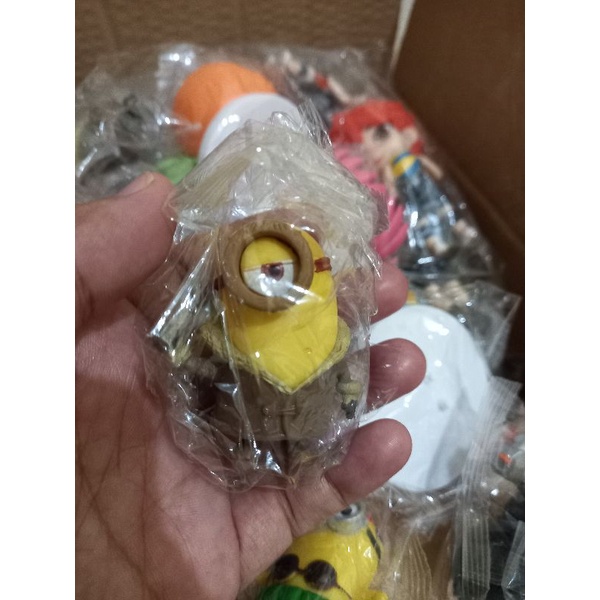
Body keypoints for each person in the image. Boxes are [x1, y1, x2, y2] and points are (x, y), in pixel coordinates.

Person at [75, 172, 426, 600]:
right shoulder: (219, 335)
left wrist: (346, 396)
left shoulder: (331, 335)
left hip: (307, 431)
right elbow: (200, 369)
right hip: (234, 437)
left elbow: (342, 375)